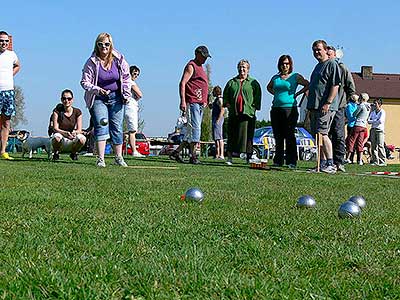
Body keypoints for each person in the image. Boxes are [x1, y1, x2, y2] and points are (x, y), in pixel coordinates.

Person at [81, 32, 131, 167]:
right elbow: (85, 82)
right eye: (101, 44)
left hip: (116, 97)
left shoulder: (119, 60)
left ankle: (118, 157)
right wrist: (97, 89)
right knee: (101, 124)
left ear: (111, 45)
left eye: (107, 44)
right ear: (96, 45)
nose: (104, 47)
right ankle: (101, 159)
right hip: (98, 98)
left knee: (117, 127)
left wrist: (126, 94)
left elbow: (126, 78)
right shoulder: (91, 62)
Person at [169, 45, 211, 165]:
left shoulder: (200, 67)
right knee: (196, 129)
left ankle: (176, 152)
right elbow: (182, 83)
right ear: (197, 54)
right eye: (203, 56)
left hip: (200, 103)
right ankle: (193, 156)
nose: (205, 59)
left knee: (190, 132)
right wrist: (182, 101)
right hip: (193, 102)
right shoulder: (191, 66)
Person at [267, 55, 309, 168]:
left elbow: (307, 84)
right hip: (276, 109)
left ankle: (292, 161)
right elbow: (269, 87)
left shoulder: (295, 76)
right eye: (282, 63)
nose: (284, 65)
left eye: (287, 63)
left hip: (290, 109)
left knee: (289, 135)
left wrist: (298, 94)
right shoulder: (275, 77)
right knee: (278, 135)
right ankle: (278, 161)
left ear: (290, 65)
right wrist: (276, 95)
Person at [307, 40, 341, 174]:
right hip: (315, 106)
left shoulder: (332, 64)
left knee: (323, 133)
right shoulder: (317, 66)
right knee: (317, 135)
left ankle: (330, 163)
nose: (316, 52)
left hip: (325, 106)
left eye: (318, 50)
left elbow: (335, 85)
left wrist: (328, 102)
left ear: (325, 50)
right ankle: (320, 163)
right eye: (314, 50)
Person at [223, 59, 262, 165]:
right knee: (231, 135)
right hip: (234, 113)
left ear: (248, 69)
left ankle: (249, 156)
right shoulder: (231, 82)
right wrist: (227, 104)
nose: (242, 69)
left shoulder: (253, 83)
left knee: (248, 136)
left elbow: (258, 96)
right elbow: (225, 95)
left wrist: (254, 107)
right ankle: (229, 157)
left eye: (244, 67)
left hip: (248, 113)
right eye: (240, 67)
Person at [327, 46, 356, 172]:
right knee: (326, 134)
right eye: (326, 54)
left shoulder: (342, 68)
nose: (328, 57)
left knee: (338, 134)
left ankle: (339, 162)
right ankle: (327, 161)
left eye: (330, 54)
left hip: (338, 107)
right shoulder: (323, 68)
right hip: (325, 107)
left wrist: (344, 101)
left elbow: (351, 87)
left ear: (335, 55)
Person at [0, 31, 21, 160]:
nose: (4, 43)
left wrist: (9, 75)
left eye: (6, 41)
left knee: (6, 122)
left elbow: (18, 65)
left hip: (8, 91)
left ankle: (3, 151)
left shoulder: (11, 55)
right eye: (1, 40)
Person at [51, 89, 87, 160]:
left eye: (69, 98)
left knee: (82, 139)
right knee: (56, 137)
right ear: (61, 99)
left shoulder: (78, 112)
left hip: (72, 137)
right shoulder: (56, 111)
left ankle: (73, 153)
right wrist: (65, 133)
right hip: (61, 136)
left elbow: (79, 129)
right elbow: (55, 128)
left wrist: (74, 132)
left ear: (72, 100)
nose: (66, 101)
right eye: (64, 98)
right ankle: (56, 153)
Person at [124, 65, 144, 157]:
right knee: (132, 130)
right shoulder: (130, 82)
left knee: (128, 131)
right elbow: (140, 94)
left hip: (127, 107)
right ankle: (134, 151)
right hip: (130, 107)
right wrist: (137, 96)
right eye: (134, 73)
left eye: (137, 74)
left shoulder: (124, 82)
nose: (136, 76)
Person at [345, 93, 370, 165]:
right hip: (364, 126)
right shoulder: (368, 106)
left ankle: (348, 158)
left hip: (358, 125)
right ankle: (360, 160)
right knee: (360, 142)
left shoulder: (361, 105)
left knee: (351, 141)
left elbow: (354, 114)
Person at [368, 98, 386, 166]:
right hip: (373, 129)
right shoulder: (372, 112)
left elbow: (380, 121)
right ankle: (375, 161)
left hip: (380, 130)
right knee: (373, 146)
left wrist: (373, 120)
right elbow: (368, 121)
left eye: (375, 104)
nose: (374, 105)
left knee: (380, 145)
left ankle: (383, 161)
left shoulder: (382, 112)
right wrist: (376, 120)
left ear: (379, 104)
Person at [344, 94, 359, 164]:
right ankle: (349, 158)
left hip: (356, 125)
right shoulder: (349, 106)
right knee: (351, 142)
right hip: (351, 126)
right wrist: (358, 117)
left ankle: (352, 158)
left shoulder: (356, 106)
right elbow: (350, 116)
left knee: (356, 142)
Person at [211, 85, 225, 160]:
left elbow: (222, 109)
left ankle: (221, 154)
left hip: (218, 119)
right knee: (216, 137)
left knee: (219, 137)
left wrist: (218, 119)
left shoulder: (220, 99)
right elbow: (211, 107)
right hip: (214, 119)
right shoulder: (216, 100)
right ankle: (217, 154)